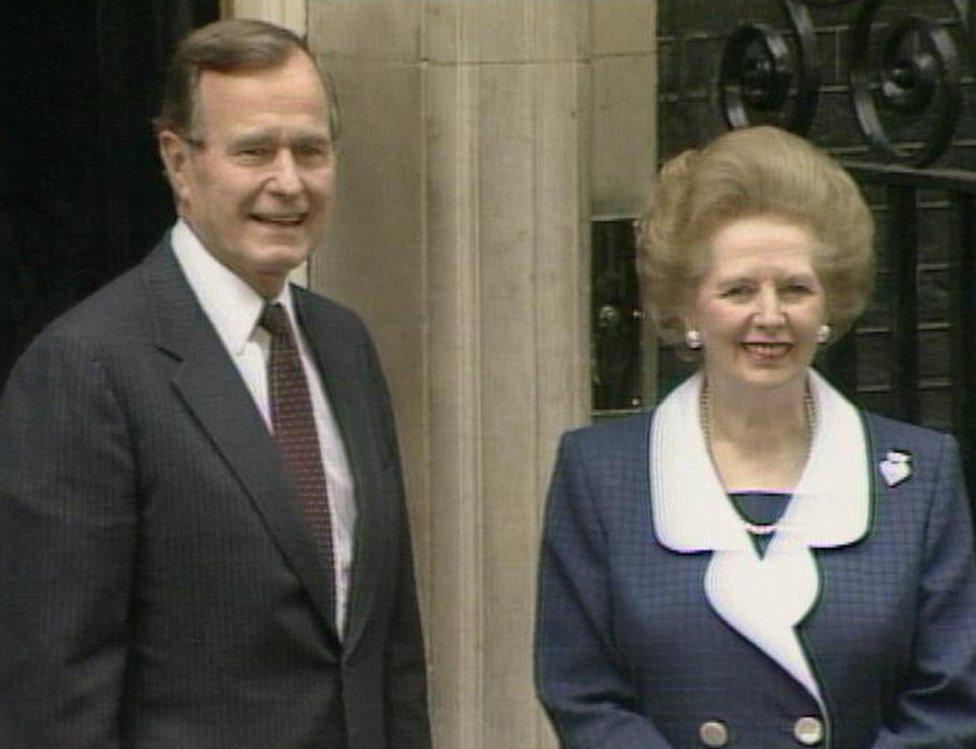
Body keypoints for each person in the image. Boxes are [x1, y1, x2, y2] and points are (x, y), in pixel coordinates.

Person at [0, 19, 430, 748]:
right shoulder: (86, 370)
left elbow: (390, 648)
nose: (288, 181)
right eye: (255, 151)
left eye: (311, 150)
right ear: (178, 161)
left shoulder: (345, 344)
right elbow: (56, 694)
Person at [534, 125, 976, 747]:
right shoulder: (601, 474)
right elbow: (583, 693)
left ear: (828, 307)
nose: (770, 316)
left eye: (795, 288)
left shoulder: (919, 479)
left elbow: (949, 702)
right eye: (738, 290)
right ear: (688, 309)